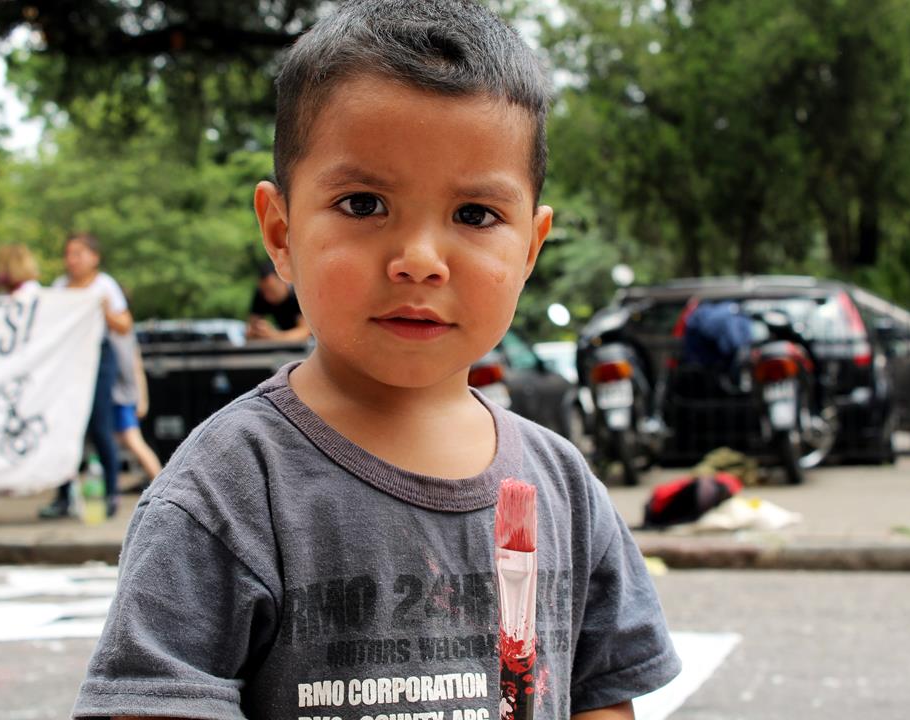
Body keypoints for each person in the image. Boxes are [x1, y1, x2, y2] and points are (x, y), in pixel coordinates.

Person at [73, 2, 680, 718]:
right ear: (281, 231)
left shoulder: (564, 489)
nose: (418, 259)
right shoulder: (228, 487)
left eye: (475, 215)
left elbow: (601, 696)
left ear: (529, 248)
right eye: (363, 204)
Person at [39, 232, 132, 520]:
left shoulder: (104, 286)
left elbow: (124, 325)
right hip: (67, 360)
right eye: (68, 254)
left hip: (97, 359)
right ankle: (64, 494)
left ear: (94, 257)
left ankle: (111, 493)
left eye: (78, 254)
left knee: (100, 425)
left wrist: (104, 311)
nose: (72, 260)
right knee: (64, 426)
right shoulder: (60, 287)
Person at [110, 288, 162, 490]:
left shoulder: (121, 330)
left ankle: (161, 485)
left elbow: (135, 366)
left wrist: (142, 398)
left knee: (134, 441)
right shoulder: (122, 330)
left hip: (121, 395)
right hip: (121, 395)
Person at [245, 259, 311, 341]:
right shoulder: (261, 294)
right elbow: (251, 324)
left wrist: (274, 336)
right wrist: (256, 332)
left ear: (283, 280)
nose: (267, 296)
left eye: (271, 290)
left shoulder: (297, 294)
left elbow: (305, 332)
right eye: (264, 291)